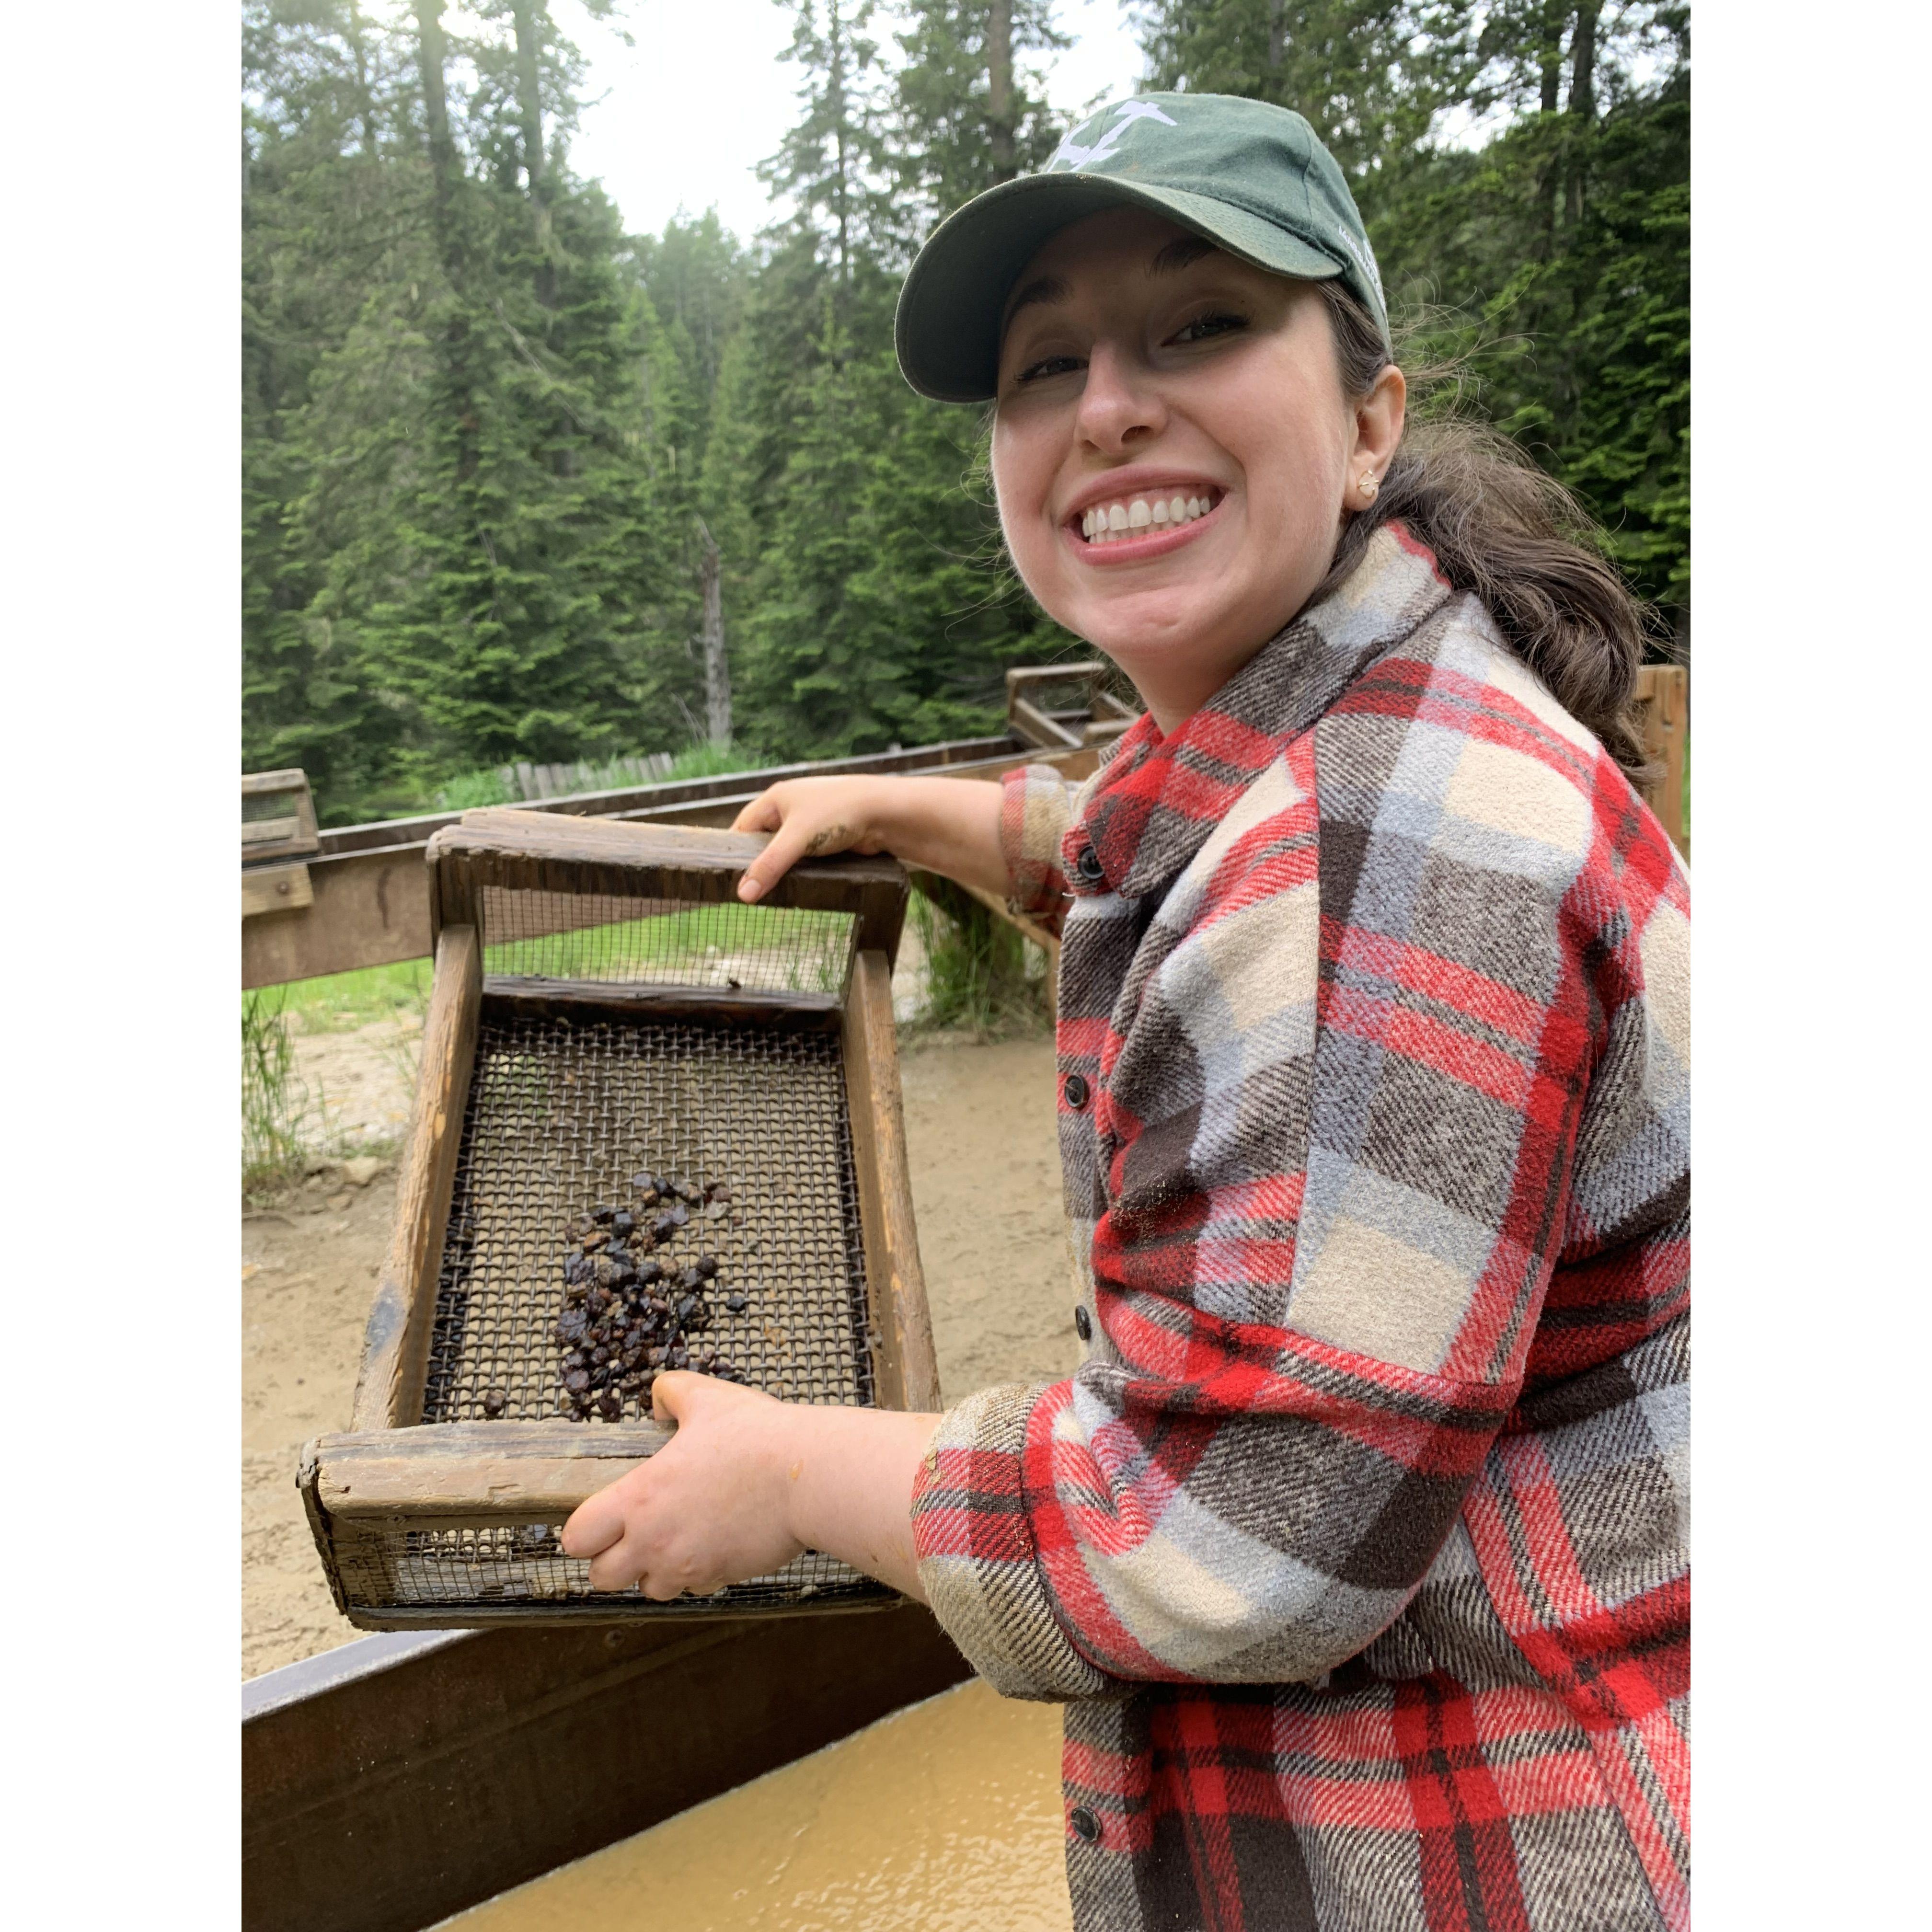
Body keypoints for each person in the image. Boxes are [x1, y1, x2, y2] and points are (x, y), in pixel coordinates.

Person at [564, 92, 1689, 1931]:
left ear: (1371, 420)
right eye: (1043, 366)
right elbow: (1197, 834)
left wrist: (800, 1469)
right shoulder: (1372, 711)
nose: (1106, 406)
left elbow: (1244, 1540)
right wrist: (947, 817)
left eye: (1201, 326)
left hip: (1506, 1838)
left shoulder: (1382, 856)